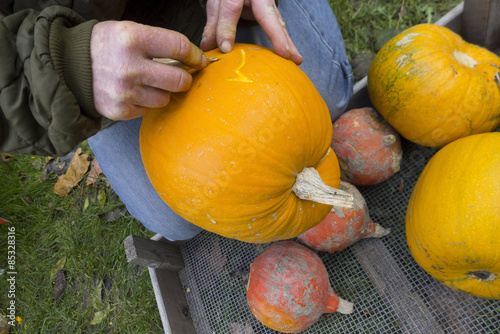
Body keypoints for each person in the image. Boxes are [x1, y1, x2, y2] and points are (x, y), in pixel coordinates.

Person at [0, 0, 353, 241]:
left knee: (331, 94)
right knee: (173, 221)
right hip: (71, 49)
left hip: (206, 12)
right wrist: (68, 66)